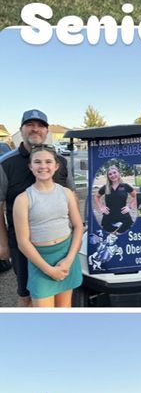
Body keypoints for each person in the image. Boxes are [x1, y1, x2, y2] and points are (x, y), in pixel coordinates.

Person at [0, 110, 74, 306]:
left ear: (47, 131)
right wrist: (3, 243)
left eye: (40, 125)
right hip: (22, 245)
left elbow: (71, 196)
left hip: (59, 244)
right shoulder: (5, 164)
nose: (35, 129)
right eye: (30, 125)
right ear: (21, 129)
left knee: (61, 291)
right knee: (26, 295)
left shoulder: (59, 162)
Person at [12, 143, 83, 307]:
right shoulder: (23, 199)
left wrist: (69, 260)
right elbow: (23, 242)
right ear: (30, 166)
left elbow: (78, 227)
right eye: (37, 162)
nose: (43, 166)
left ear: (56, 166)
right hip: (40, 262)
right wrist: (49, 269)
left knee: (64, 309)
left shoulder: (66, 193)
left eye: (48, 161)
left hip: (66, 257)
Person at [94, 165, 137, 234]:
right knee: (109, 240)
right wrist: (101, 207)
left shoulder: (125, 186)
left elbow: (136, 196)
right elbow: (96, 197)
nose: (113, 175)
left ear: (118, 173)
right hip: (108, 218)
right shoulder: (105, 187)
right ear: (108, 176)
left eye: (114, 172)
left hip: (123, 217)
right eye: (110, 174)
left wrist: (130, 206)